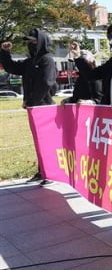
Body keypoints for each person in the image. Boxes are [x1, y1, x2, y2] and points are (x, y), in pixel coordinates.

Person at [0, 28, 58, 183]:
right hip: (34, 108)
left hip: (45, 107)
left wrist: (32, 101)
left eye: (33, 41)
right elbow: (13, 68)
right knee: (39, 141)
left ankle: (51, 172)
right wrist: (5, 53)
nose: (30, 44)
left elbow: (46, 83)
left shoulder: (47, 60)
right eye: (29, 42)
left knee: (47, 142)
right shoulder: (29, 62)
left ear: (42, 42)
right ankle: (43, 171)